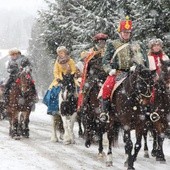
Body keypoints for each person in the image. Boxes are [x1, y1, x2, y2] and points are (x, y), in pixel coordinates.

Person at [100, 16, 149, 122]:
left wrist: (137, 66)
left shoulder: (138, 45)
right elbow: (105, 61)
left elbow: (144, 61)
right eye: (124, 32)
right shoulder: (112, 44)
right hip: (118, 72)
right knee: (107, 87)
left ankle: (149, 112)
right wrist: (109, 70)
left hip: (135, 73)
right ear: (120, 32)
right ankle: (105, 112)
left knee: (148, 87)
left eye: (128, 32)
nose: (126, 34)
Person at [77, 33, 108, 111]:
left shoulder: (107, 51)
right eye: (100, 41)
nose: (102, 43)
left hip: (106, 73)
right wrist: (96, 62)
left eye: (104, 41)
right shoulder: (91, 52)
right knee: (87, 86)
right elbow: (88, 62)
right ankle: (84, 104)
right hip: (94, 74)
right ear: (96, 42)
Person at [44, 46, 77, 115]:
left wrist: (70, 75)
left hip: (70, 78)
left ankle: (77, 107)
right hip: (60, 79)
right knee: (53, 92)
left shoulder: (70, 61)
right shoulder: (57, 62)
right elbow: (55, 71)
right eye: (59, 53)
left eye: (62, 52)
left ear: (65, 53)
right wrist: (58, 78)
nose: (61, 54)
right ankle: (54, 109)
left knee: (78, 90)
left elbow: (74, 69)